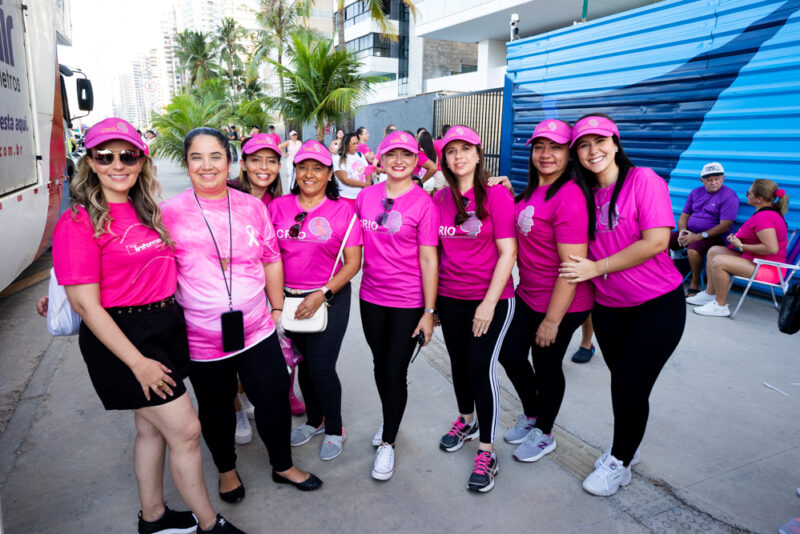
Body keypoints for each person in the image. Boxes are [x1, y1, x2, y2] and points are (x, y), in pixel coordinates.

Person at [51, 117, 244, 534]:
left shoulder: (146, 209)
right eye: (106, 155)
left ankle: (153, 518)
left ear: (142, 159)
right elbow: (86, 304)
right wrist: (137, 363)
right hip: (125, 339)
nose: (118, 164)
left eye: (128, 155)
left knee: (150, 428)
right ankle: (211, 525)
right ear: (91, 162)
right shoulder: (79, 220)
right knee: (187, 431)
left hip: (165, 327)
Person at [160, 128, 322, 505]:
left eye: (215, 156)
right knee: (216, 408)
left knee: (273, 397)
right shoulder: (169, 213)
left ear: (229, 162)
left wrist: (278, 308)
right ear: (186, 164)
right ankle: (226, 470)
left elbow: (270, 258)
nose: (207, 165)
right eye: (196, 157)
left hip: (257, 328)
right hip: (202, 338)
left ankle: (282, 465)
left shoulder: (252, 206)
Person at [560, 114, 685, 497]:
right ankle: (630, 445)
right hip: (610, 309)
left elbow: (656, 241)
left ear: (615, 143)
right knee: (627, 385)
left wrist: (597, 267)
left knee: (629, 385)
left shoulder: (643, 180)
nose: (592, 150)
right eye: (583, 144)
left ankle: (620, 460)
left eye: (599, 141)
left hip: (657, 306)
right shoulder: (581, 192)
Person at [489, 119, 593, 467]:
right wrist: (508, 190)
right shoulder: (535, 190)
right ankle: (533, 413)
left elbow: (572, 267)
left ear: (569, 154)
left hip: (563, 302)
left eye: (556, 147)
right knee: (509, 354)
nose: (545, 154)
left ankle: (545, 432)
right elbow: (526, 218)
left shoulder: (572, 197)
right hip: (529, 295)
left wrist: (552, 320)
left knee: (547, 366)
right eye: (539, 147)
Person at [269, 140, 363, 461]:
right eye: (303, 166)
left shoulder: (343, 212)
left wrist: (321, 294)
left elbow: (353, 263)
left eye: (318, 168)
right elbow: (269, 257)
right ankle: (315, 420)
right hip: (288, 301)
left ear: (328, 174)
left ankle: (335, 429)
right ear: (295, 170)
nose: (309, 174)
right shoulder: (277, 207)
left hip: (328, 299)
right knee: (304, 366)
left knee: (322, 368)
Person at [435, 125, 517, 493]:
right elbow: (434, 253)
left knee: (480, 368)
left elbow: (508, 252)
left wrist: (487, 303)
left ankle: (487, 449)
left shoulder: (497, 196)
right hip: (451, 297)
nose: (459, 156)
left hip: (493, 299)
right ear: (444, 160)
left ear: (479, 154)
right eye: (452, 151)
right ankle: (465, 420)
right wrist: (433, 303)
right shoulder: (439, 199)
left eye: (466, 149)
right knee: (458, 364)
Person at [356, 130, 439, 481]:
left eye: (406, 154)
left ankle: (388, 441)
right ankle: (390, 418)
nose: (399, 161)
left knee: (395, 370)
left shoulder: (424, 203)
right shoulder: (365, 197)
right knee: (379, 365)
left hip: (408, 302)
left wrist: (429, 312)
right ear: (381, 159)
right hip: (371, 297)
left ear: (416, 160)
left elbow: (429, 260)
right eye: (392, 154)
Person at [687, 179, 789, 317]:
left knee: (719, 261)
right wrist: (737, 240)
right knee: (714, 251)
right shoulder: (765, 213)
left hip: (768, 268)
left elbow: (771, 249)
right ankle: (709, 294)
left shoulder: (765, 217)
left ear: (759, 199)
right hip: (757, 260)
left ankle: (720, 306)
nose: (747, 195)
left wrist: (741, 245)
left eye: (749, 193)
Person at [669, 162, 739, 295]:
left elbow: (725, 225)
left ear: (723, 178)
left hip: (714, 237)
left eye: (716, 179)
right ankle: (666, 275)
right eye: (709, 180)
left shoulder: (729, 196)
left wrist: (698, 236)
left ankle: (695, 282)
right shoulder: (695, 193)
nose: (713, 182)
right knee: (663, 241)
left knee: (693, 249)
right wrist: (682, 231)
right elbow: (684, 216)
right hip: (691, 232)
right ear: (702, 180)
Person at [334, 132, 373, 205]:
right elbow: (344, 179)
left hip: (362, 196)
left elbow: (368, 170)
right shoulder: (338, 157)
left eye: (357, 143)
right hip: (347, 197)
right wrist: (364, 185)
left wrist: (367, 184)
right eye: (353, 144)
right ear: (346, 144)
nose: (356, 146)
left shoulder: (360, 155)